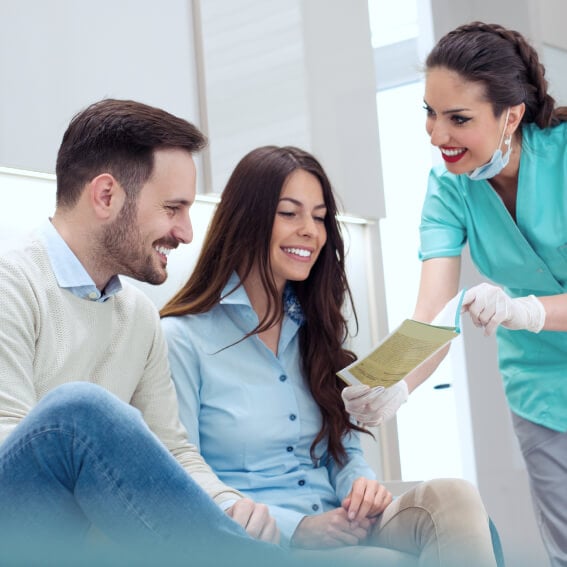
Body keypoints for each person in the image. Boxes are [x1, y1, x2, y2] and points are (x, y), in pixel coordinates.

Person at [160, 145, 499, 567]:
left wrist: (362, 487)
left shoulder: (315, 332)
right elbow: (182, 478)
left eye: (319, 217)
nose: (311, 231)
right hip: (257, 543)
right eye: (290, 213)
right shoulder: (181, 339)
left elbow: (344, 453)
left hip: (347, 524)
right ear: (247, 218)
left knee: (455, 498)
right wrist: (297, 530)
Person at [0, 98, 286, 566]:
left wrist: (226, 505)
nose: (187, 232)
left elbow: (172, 449)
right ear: (106, 196)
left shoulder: (138, 316)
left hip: (77, 536)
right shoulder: (9, 283)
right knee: (78, 410)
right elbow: (12, 445)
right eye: (173, 208)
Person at [341, 21, 567, 567]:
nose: (438, 135)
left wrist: (525, 309)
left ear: (511, 114)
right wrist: (393, 386)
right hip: (539, 389)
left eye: (458, 118)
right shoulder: (448, 189)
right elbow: (433, 315)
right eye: (429, 112)